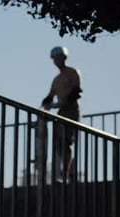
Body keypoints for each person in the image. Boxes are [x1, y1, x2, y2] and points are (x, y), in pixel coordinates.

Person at [41, 46, 82, 182]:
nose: (56, 61)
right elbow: (50, 96)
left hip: (71, 110)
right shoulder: (56, 79)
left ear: (64, 58)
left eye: (59, 58)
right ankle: (69, 173)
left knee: (67, 142)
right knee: (60, 145)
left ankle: (70, 173)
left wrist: (60, 102)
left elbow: (75, 93)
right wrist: (46, 104)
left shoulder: (73, 72)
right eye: (54, 59)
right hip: (61, 113)